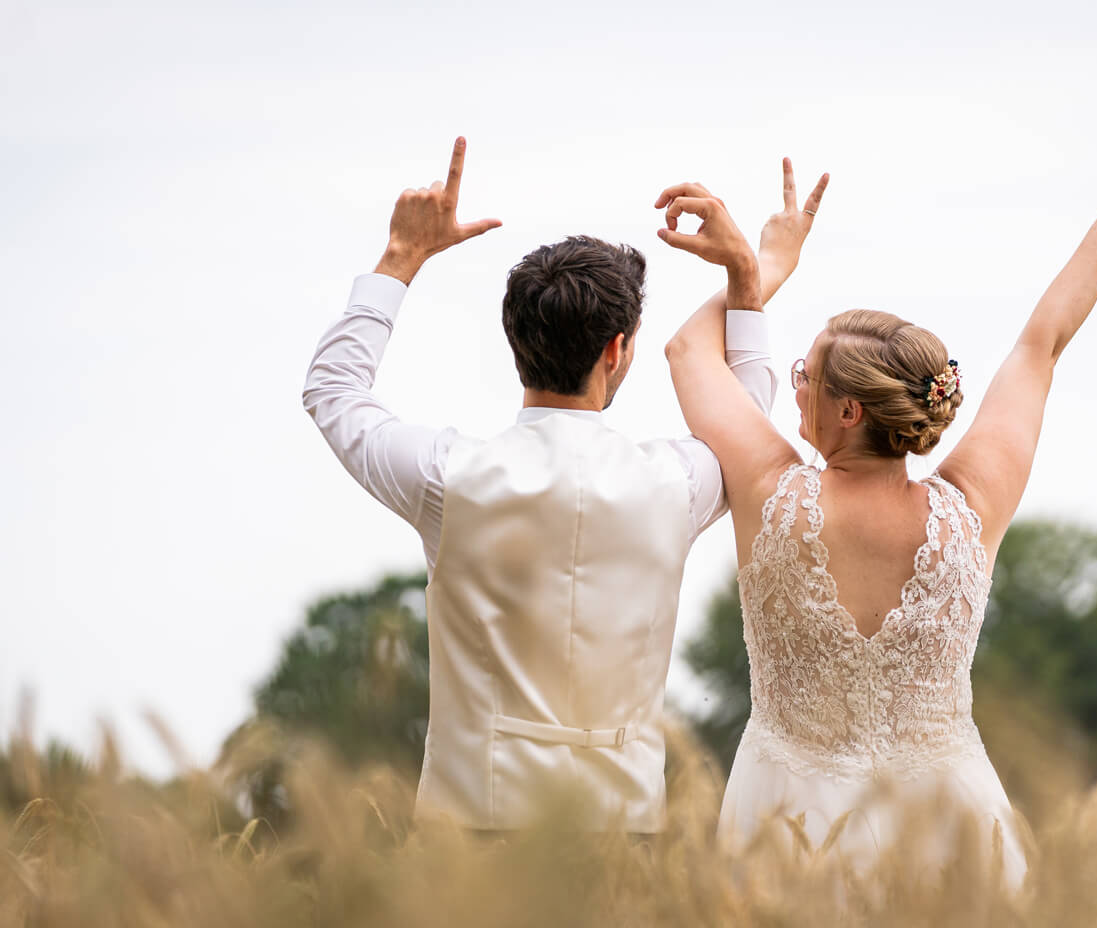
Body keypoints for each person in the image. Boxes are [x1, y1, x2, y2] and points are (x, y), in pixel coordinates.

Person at [658, 129, 1097, 886]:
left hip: (786, 827)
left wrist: (765, 267)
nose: (795, 383)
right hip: (952, 831)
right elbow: (1041, 346)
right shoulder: (970, 509)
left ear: (848, 411)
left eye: (807, 374)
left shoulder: (769, 491)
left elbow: (687, 351)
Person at [301, 137, 801, 833]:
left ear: (514, 342)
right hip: (625, 828)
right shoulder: (674, 484)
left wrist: (401, 257)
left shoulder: (447, 477)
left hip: (466, 839)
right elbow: (746, 423)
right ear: (616, 349)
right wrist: (747, 277)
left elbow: (332, 390)